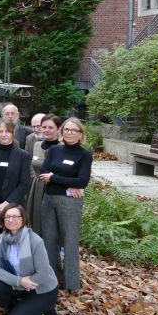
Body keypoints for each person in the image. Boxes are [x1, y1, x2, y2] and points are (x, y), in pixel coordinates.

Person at [0, 205, 59, 315]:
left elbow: (44, 273)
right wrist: (19, 281)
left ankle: (47, 307)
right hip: (21, 284)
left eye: (15, 216)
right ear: (3, 220)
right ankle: (19, 306)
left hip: (41, 288)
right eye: (7, 217)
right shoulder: (1, 239)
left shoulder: (35, 241)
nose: (11, 220)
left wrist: (24, 282)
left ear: (23, 219)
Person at [39, 118, 92, 292]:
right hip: (49, 200)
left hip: (70, 203)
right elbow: (43, 172)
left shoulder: (84, 155)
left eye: (73, 130)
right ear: (62, 132)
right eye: (67, 129)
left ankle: (71, 284)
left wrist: (54, 178)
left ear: (81, 134)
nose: (69, 133)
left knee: (69, 242)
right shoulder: (54, 150)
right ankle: (53, 279)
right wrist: (70, 184)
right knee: (49, 241)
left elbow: (82, 181)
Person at [0, 119, 33, 251]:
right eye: (0, 131)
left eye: (7, 131)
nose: (4, 134)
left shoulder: (23, 155)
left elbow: (24, 183)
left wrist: (5, 205)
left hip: (13, 209)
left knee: (14, 245)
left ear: (13, 133)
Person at [24, 114, 60, 234]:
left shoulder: (62, 147)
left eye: (50, 127)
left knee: (50, 224)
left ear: (58, 129)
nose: (46, 130)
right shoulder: (36, 145)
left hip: (54, 188)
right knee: (34, 221)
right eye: (44, 127)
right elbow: (31, 164)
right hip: (36, 188)